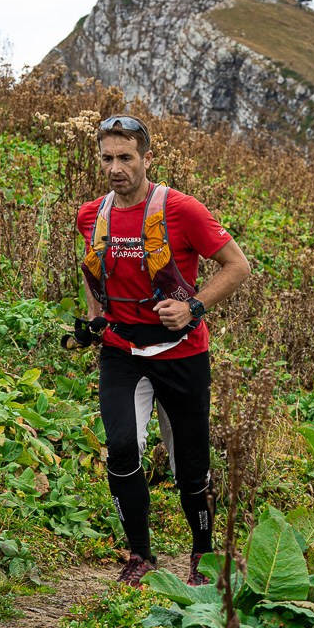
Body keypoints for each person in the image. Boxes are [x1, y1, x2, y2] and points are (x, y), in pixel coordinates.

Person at [74, 115, 251, 587]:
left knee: (190, 467)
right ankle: (141, 556)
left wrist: (194, 307)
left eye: (126, 157)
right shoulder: (91, 215)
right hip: (121, 351)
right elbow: (94, 272)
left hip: (181, 354)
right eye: (107, 157)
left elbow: (237, 265)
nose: (116, 168)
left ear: (147, 159)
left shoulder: (182, 209)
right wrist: (94, 317)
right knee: (120, 449)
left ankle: (203, 556)